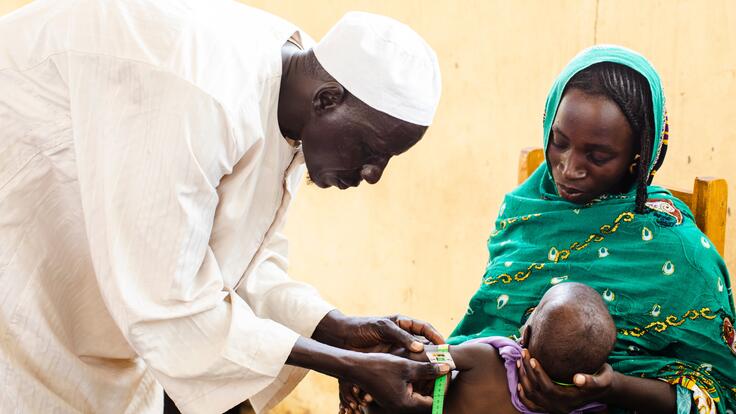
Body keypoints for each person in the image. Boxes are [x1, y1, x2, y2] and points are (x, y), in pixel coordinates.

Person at [0, 1, 447, 413]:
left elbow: (235, 264)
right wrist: (346, 365)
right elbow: (169, 303)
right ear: (327, 100)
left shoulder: (295, 91)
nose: (373, 174)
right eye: (370, 149)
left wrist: (337, 329)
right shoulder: (204, 91)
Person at [448, 45, 736, 413]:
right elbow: (485, 332)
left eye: (597, 157)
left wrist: (610, 387)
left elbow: (718, 396)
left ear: (639, 157)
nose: (569, 168)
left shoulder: (679, 251)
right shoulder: (526, 211)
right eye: (559, 142)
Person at [359, 282, 616, 414]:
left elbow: (422, 357)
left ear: (525, 334)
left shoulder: (489, 358)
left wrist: (372, 358)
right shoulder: (583, 407)